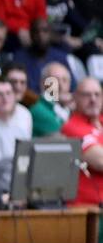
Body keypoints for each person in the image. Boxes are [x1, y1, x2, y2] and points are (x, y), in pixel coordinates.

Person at [60, 77, 103, 207]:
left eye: (97, 94)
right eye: (86, 95)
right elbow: (101, 161)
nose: (93, 99)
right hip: (87, 210)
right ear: (75, 98)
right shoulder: (72, 127)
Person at [30, 61, 73, 136]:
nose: (60, 85)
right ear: (43, 83)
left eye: (64, 80)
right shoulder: (37, 108)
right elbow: (67, 133)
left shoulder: (68, 109)